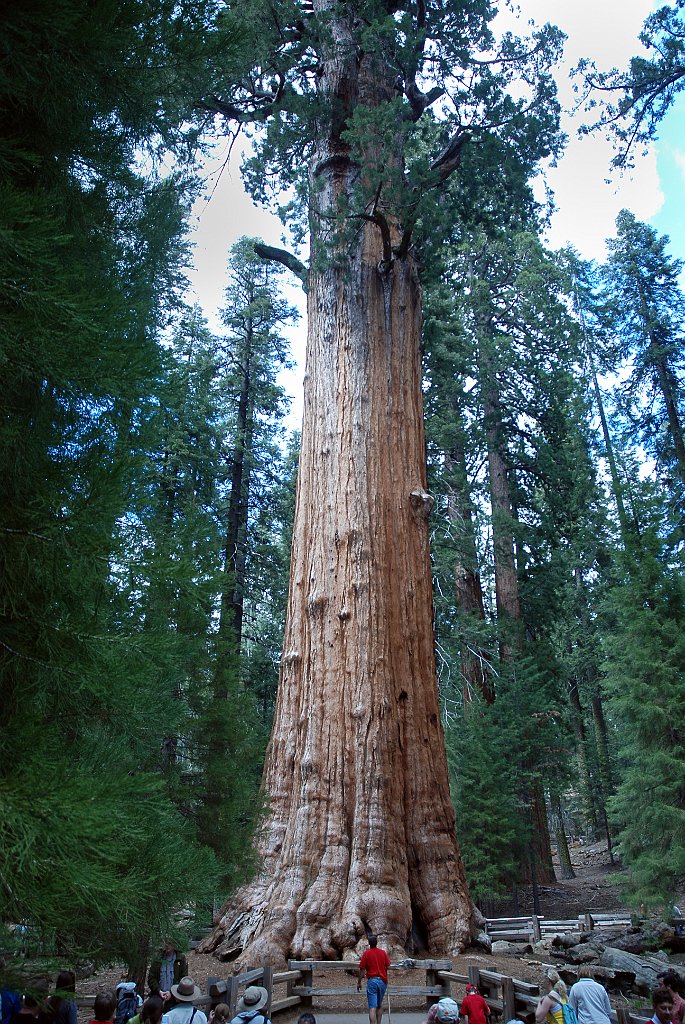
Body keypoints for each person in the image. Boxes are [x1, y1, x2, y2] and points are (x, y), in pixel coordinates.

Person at [357, 935, 391, 1024]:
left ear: (369, 944)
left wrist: (359, 982)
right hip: (382, 981)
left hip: (372, 981)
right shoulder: (383, 953)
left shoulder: (367, 954)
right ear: (376, 943)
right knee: (379, 1005)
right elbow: (387, 965)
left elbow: (362, 969)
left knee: (373, 1007)